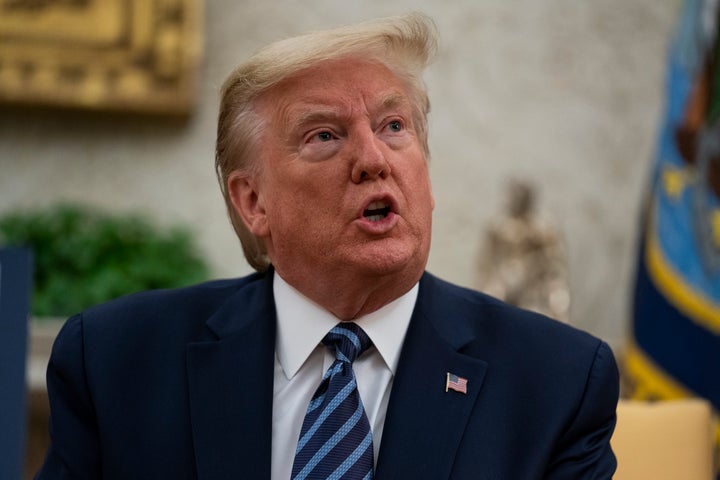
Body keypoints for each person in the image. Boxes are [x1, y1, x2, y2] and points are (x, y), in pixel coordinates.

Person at [35, 13, 619, 480]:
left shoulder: (555, 383)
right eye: (325, 136)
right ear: (253, 203)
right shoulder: (116, 364)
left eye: (394, 127)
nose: (373, 159)